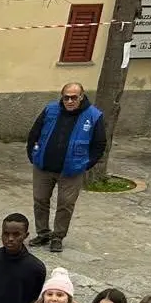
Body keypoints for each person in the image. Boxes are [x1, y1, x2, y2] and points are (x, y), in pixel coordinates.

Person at [27, 82, 107, 253]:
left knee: (66, 204)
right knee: (40, 200)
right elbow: (35, 131)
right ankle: (43, 233)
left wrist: (87, 164)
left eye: (74, 98)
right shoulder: (50, 110)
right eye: (66, 98)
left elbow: (99, 144)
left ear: (82, 97)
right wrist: (32, 153)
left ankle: (58, 237)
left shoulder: (93, 116)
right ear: (62, 97)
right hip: (44, 166)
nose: (70, 101)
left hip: (72, 170)